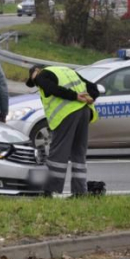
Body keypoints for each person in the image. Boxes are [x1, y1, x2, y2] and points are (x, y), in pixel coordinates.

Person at [26, 65, 100, 196]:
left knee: (58, 152)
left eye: (33, 81)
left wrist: (75, 96)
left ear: (36, 72)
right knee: (79, 153)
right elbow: (94, 88)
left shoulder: (41, 76)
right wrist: (90, 98)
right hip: (85, 112)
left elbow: (51, 88)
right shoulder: (67, 71)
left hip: (67, 114)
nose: (36, 85)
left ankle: (49, 191)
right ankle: (80, 192)